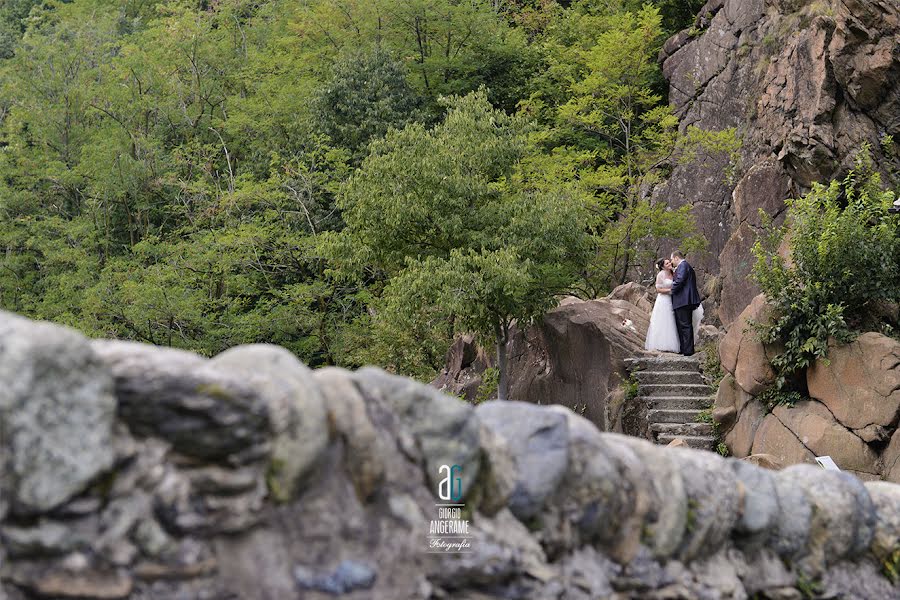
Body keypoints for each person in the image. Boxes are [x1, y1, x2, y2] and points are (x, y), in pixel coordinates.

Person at [644, 258, 681, 353]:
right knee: (663, 320)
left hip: (672, 299)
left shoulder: (673, 273)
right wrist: (670, 291)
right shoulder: (660, 275)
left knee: (671, 320)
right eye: (667, 263)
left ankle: (673, 343)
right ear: (663, 266)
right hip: (663, 300)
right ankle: (661, 344)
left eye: (669, 262)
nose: (670, 263)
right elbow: (658, 289)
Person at [669, 250, 702, 356]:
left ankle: (688, 351)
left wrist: (671, 290)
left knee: (685, 325)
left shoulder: (683, 265)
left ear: (676, 258)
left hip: (683, 300)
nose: (671, 262)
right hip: (684, 300)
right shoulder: (686, 266)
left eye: (672, 259)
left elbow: (680, 280)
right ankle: (684, 348)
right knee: (683, 324)